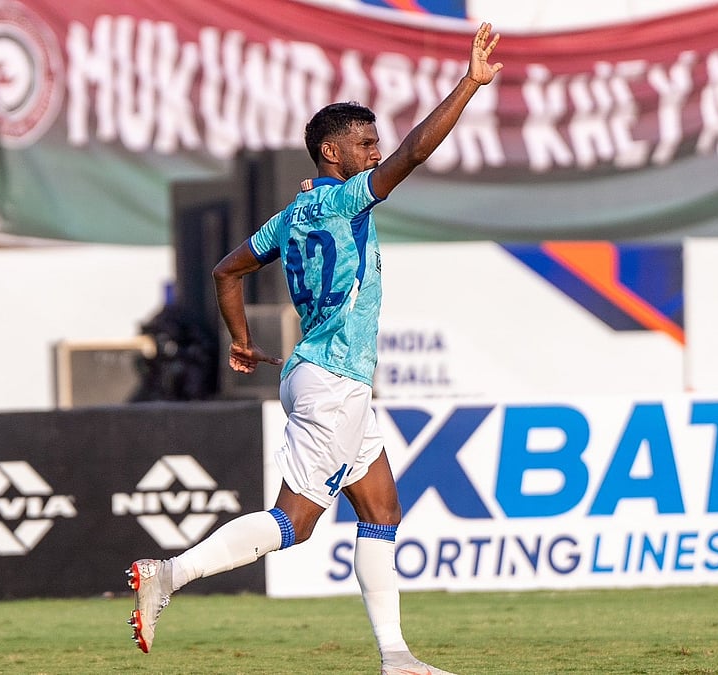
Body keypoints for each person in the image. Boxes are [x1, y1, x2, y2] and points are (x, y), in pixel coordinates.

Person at [126, 21, 503, 675]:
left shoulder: (290, 215)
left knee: (381, 507)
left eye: (374, 142)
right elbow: (414, 154)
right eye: (363, 143)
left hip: (325, 373)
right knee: (295, 523)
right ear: (331, 151)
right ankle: (169, 572)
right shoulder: (347, 201)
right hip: (333, 379)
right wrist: (468, 84)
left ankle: (397, 657)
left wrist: (241, 341)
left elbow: (225, 271)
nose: (374, 151)